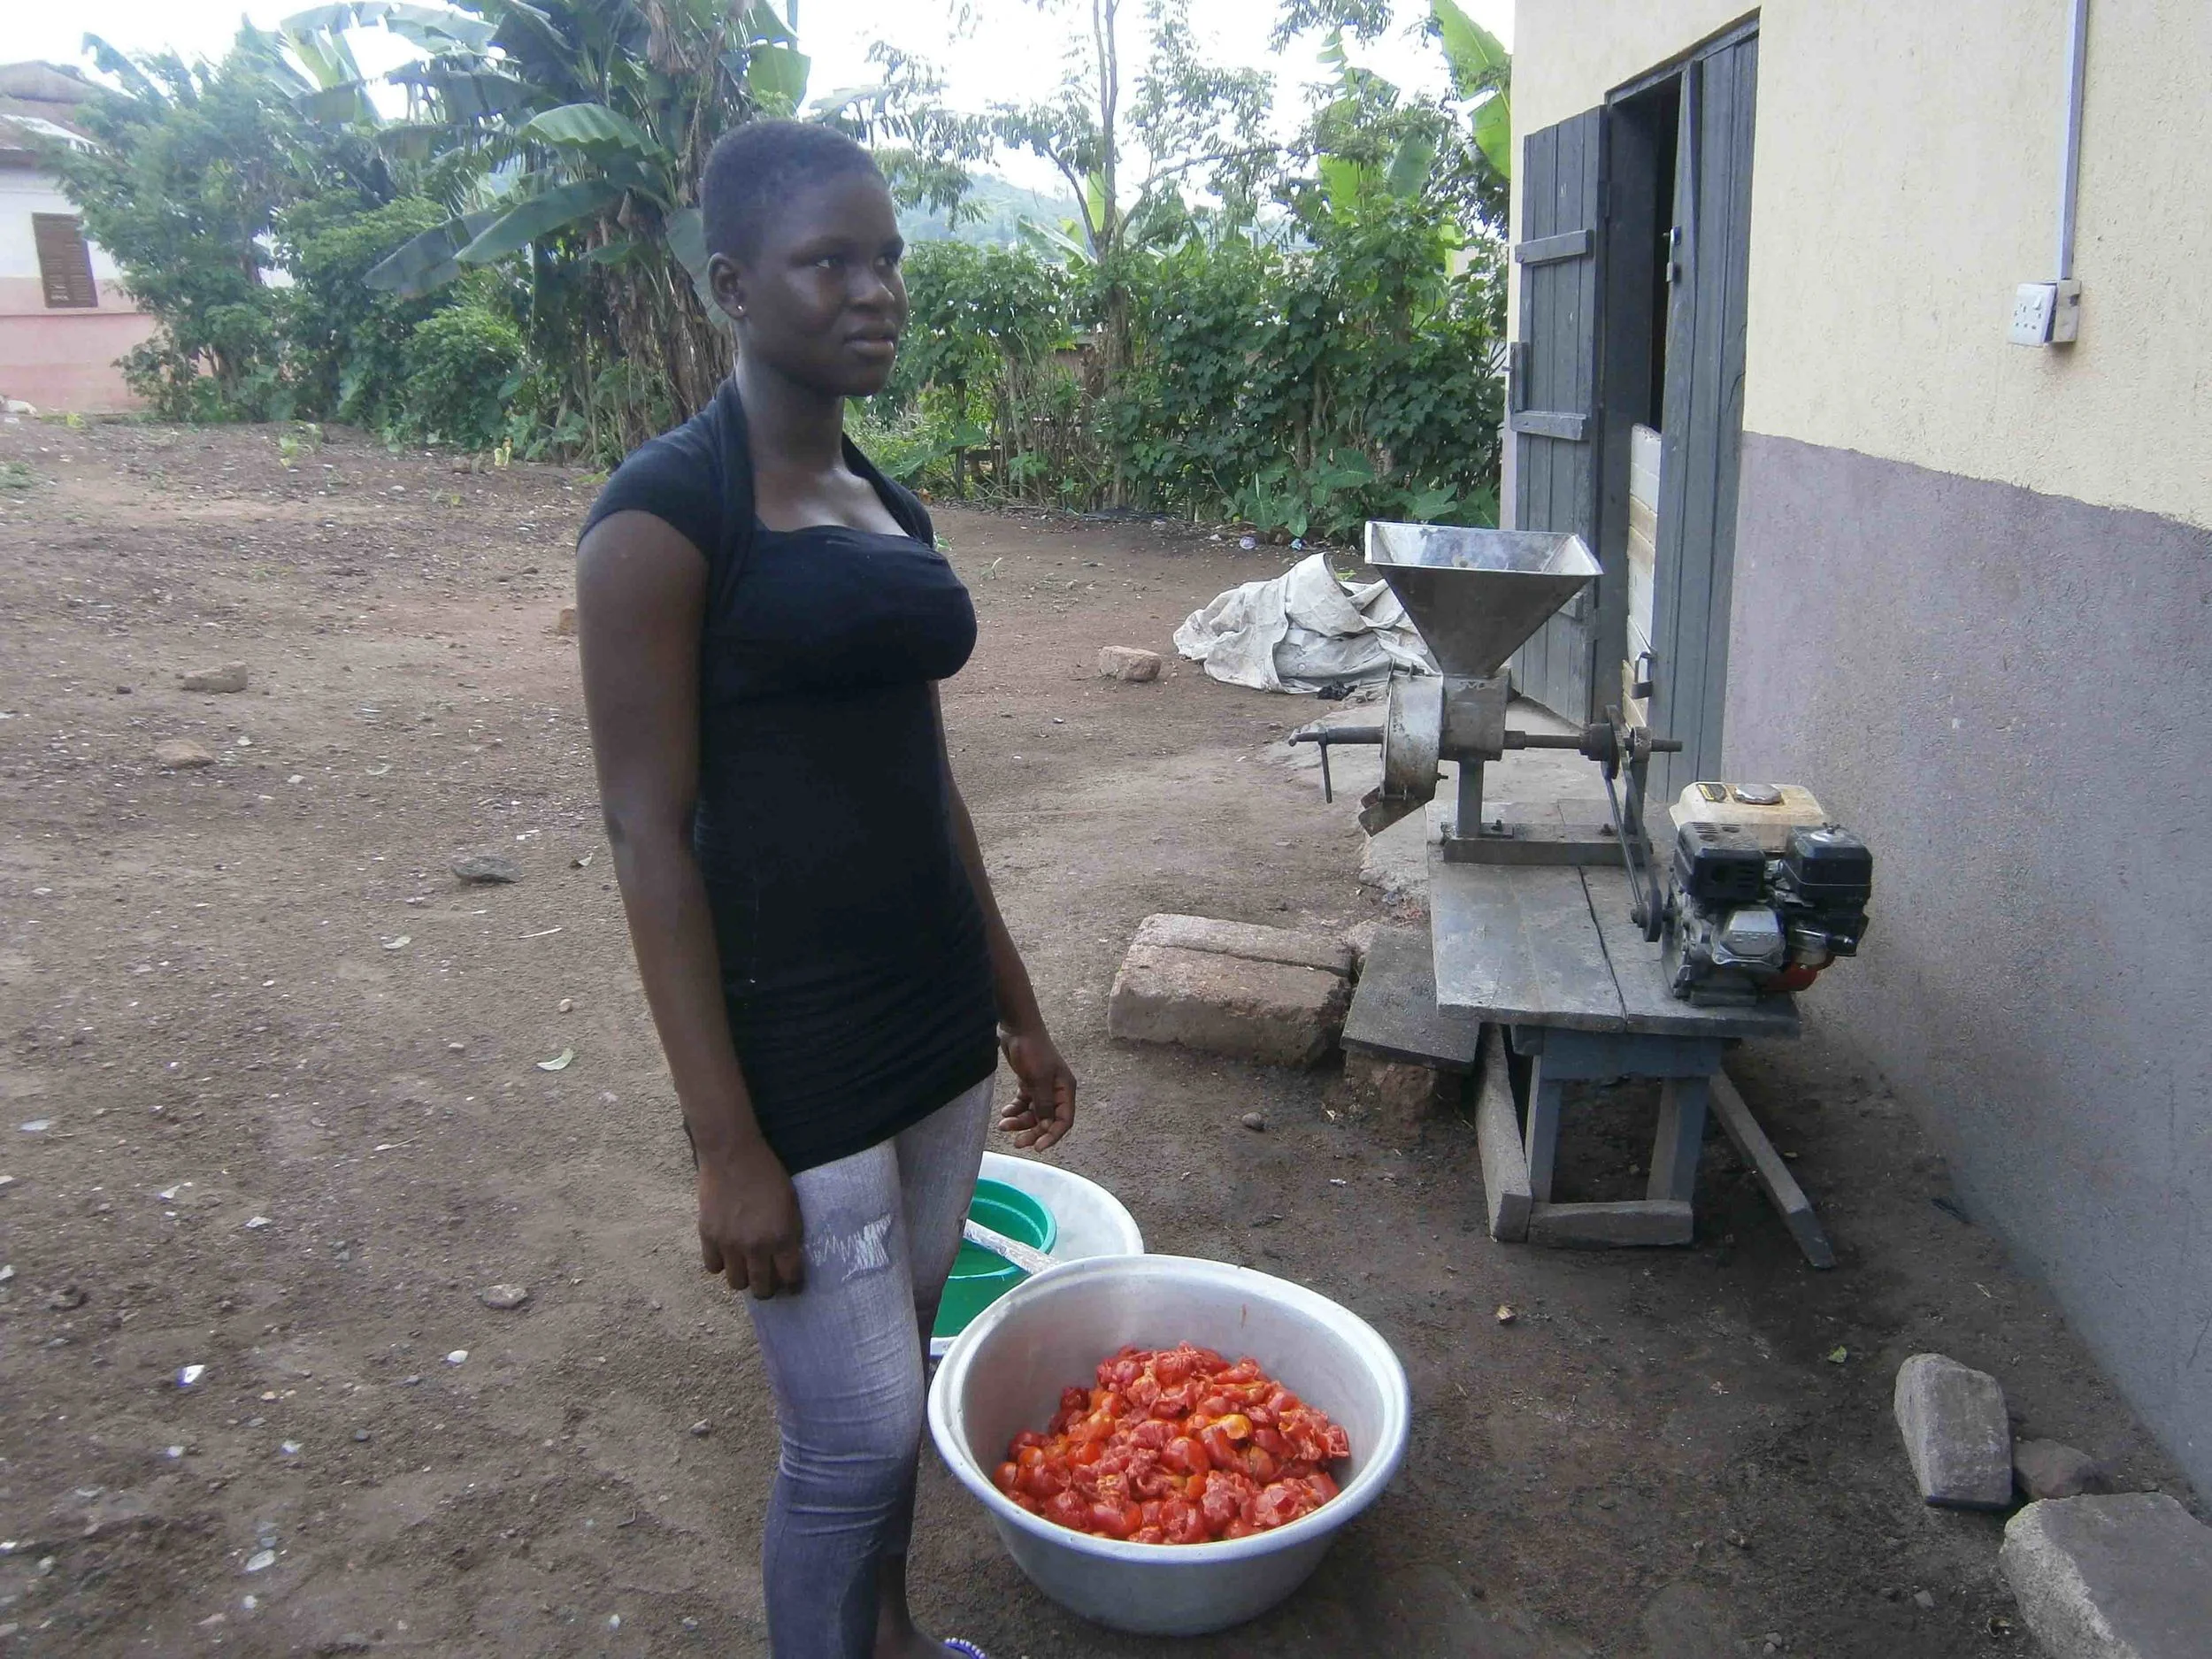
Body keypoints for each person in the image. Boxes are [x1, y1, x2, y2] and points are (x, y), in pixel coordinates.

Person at [574, 119, 1077, 1659]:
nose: (877, 293)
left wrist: (1018, 1007)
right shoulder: (664, 520)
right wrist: (726, 1143)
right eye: (830, 263)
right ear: (734, 285)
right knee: (848, 1440)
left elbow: (926, 781)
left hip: (931, 1024)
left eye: (890, 260)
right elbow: (649, 840)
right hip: (793, 1053)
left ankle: (902, 1641)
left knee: (906, 1381)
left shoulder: (888, 510)